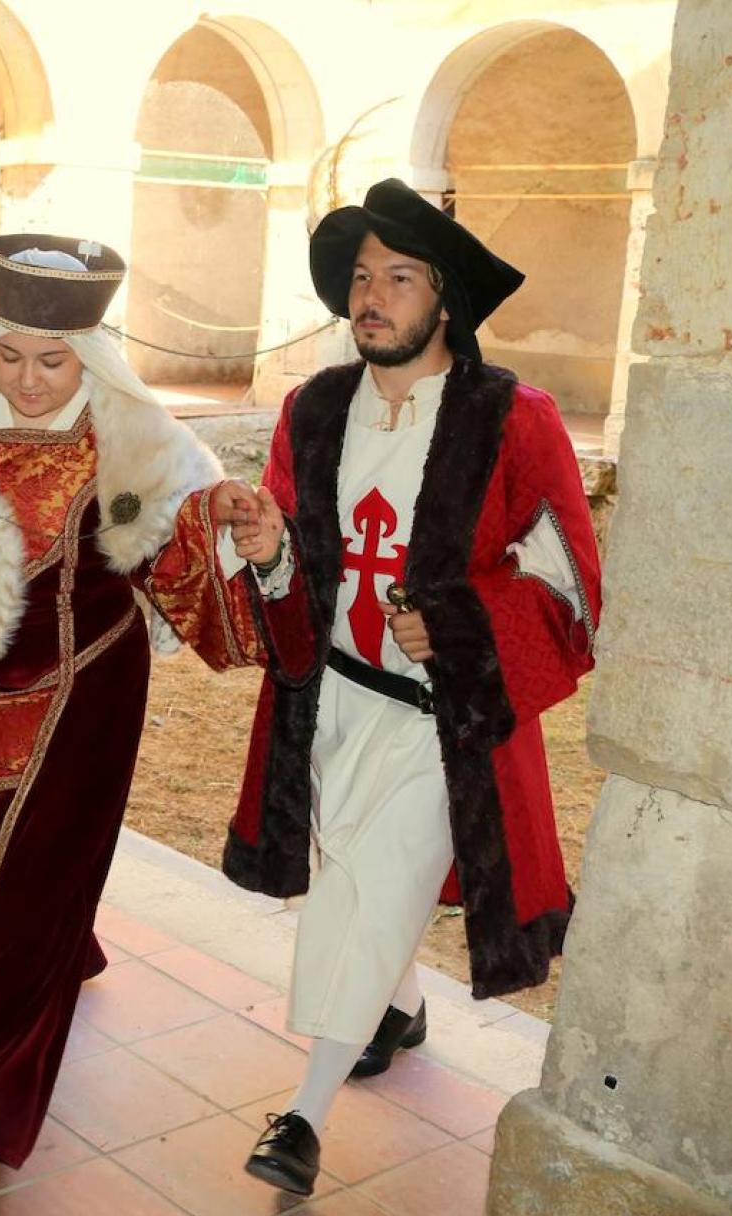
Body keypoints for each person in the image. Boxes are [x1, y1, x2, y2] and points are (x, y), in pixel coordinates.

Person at [0, 234, 281, 1188]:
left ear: (90, 354)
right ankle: (52, 953)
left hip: (82, 699)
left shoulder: (134, 441)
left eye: (52, 360)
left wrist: (232, 529)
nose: (27, 380)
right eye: (11, 355)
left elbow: (185, 562)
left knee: (29, 897)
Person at [223, 179, 603, 1197]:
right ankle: (401, 1004)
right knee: (349, 859)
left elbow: (569, 581)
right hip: (333, 702)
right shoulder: (315, 409)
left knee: (371, 882)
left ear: (447, 300)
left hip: (445, 721)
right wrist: (268, 555)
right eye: (360, 278)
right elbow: (298, 570)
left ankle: (303, 1112)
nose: (371, 298)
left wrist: (462, 626)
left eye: (398, 277)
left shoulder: (511, 419)